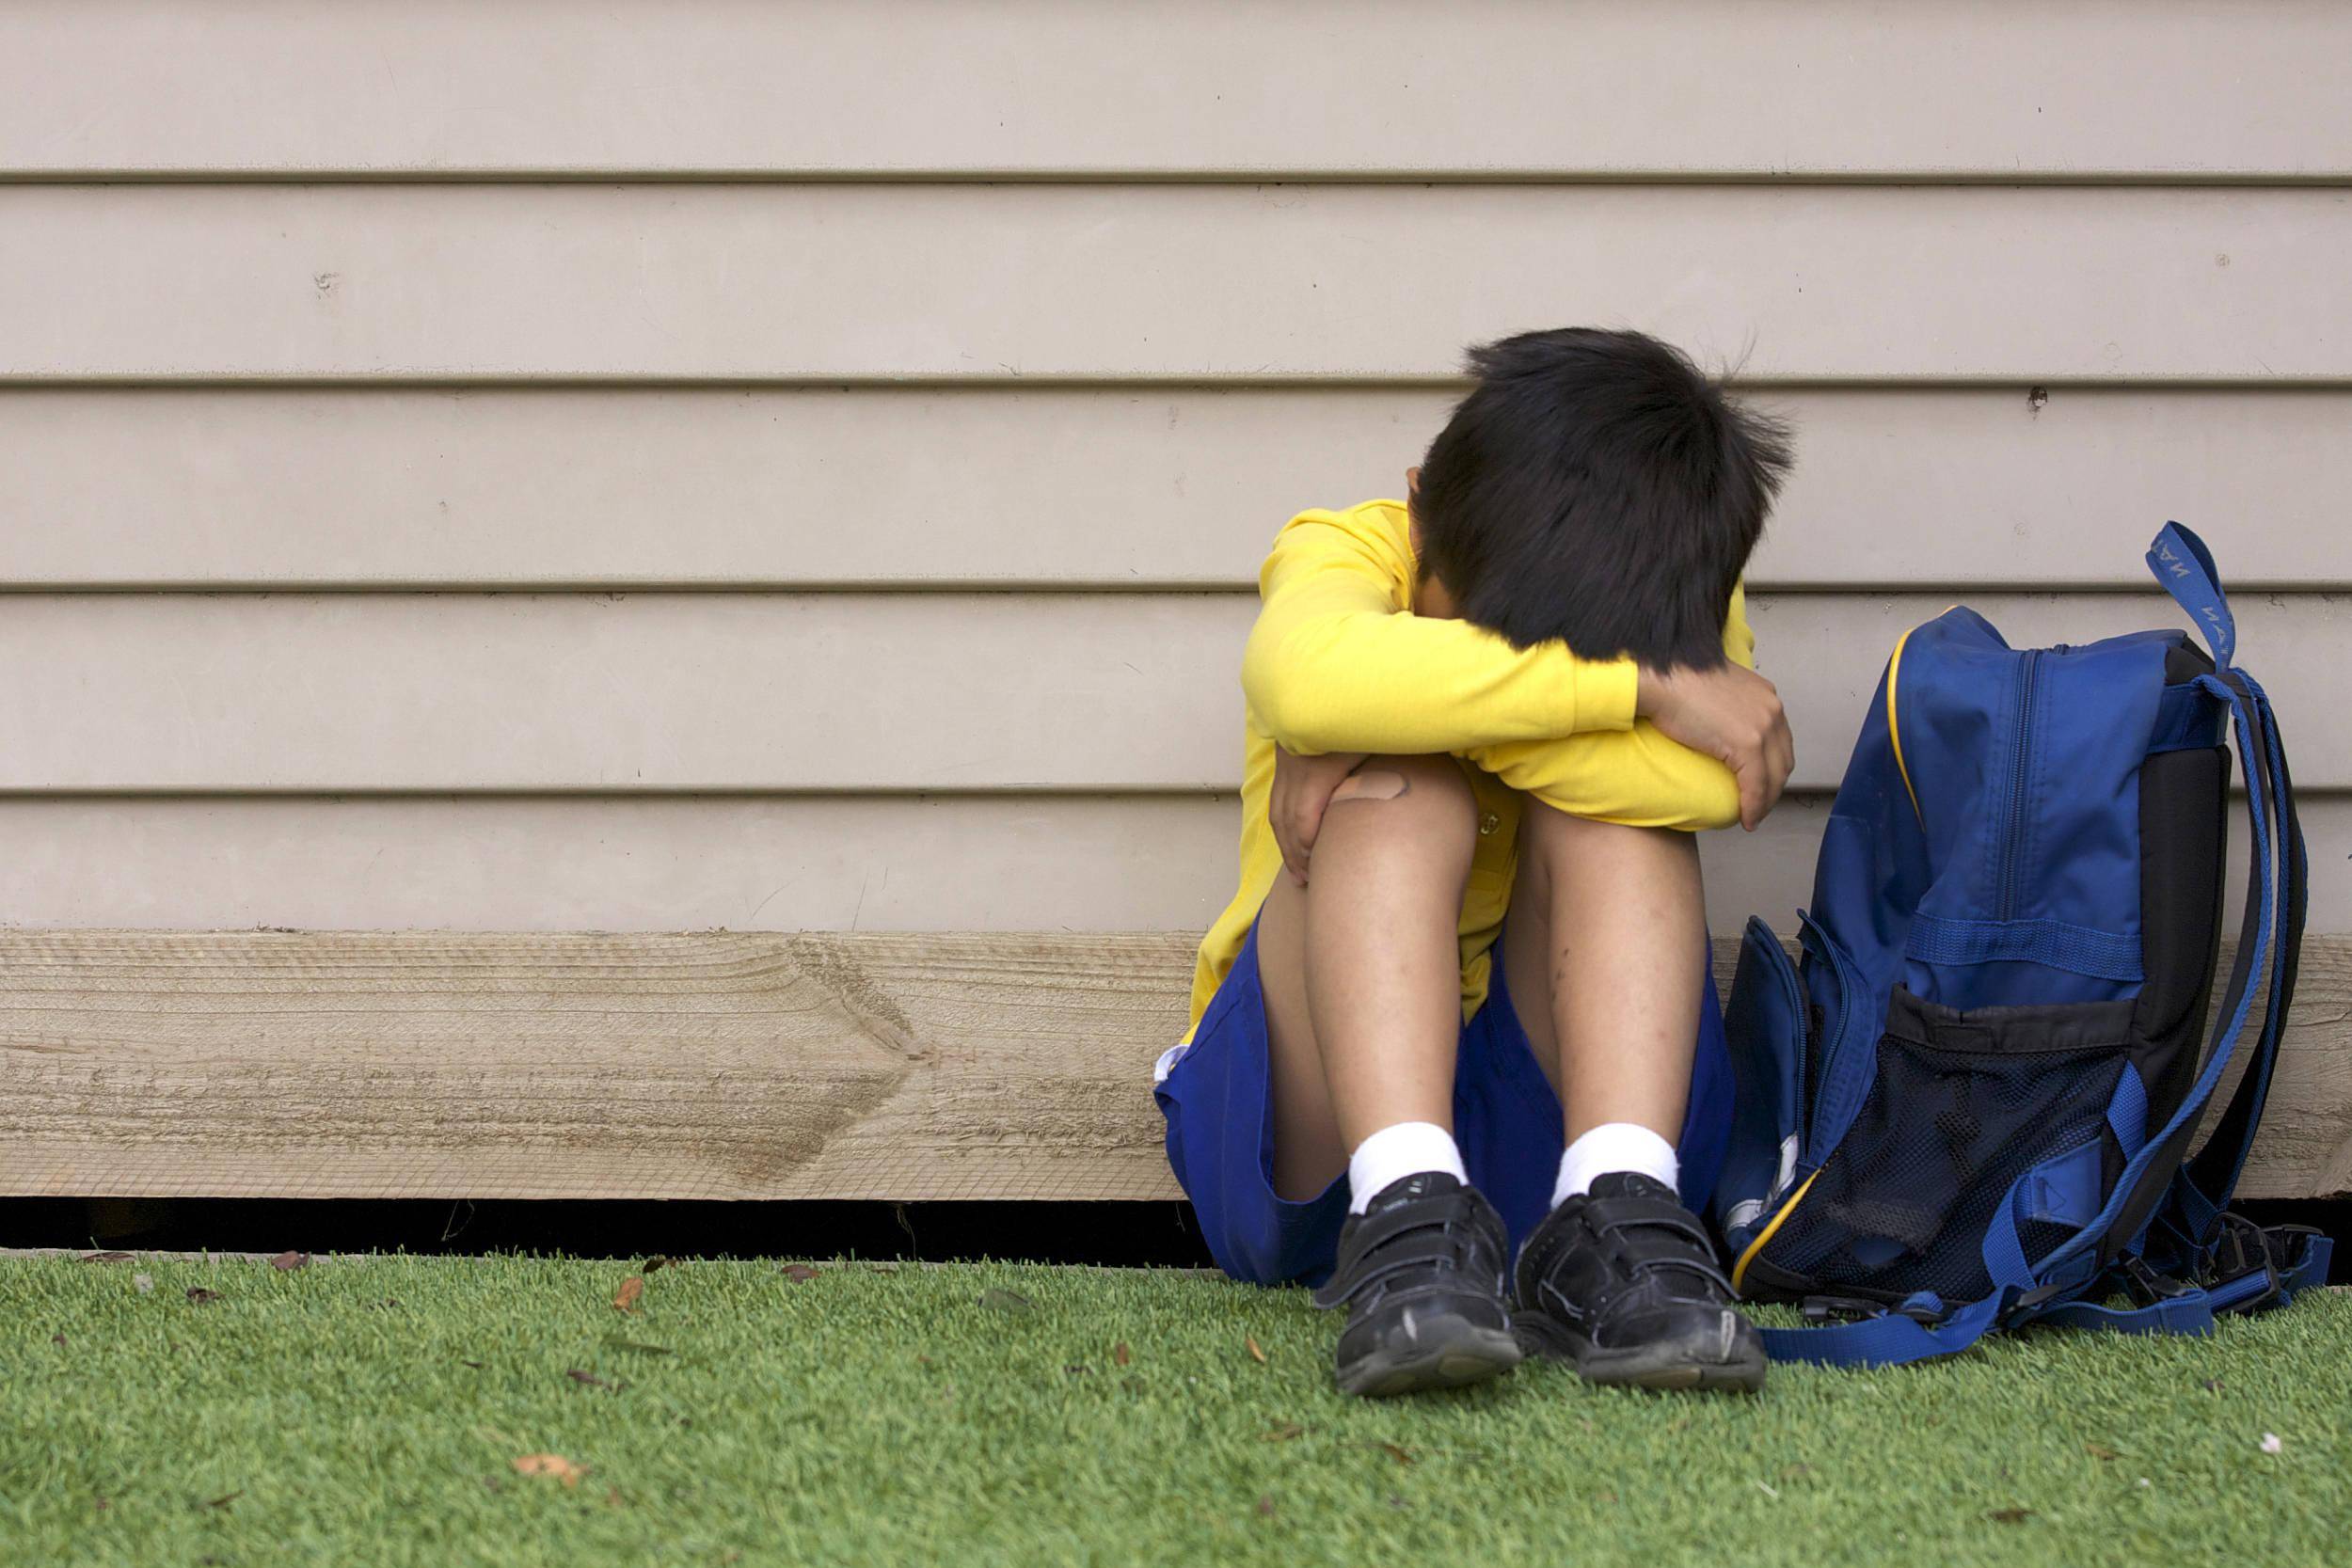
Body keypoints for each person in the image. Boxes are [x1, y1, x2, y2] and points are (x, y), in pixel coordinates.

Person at [1152, 327, 1796, 1396]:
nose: (1503, 662)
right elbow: (1305, 678)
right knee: (1405, 796)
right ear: (1417, 507)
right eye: (1474, 638)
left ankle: (1620, 1199)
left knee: (1623, 819)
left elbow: (1711, 787)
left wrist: (1407, 703)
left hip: (1581, 1128)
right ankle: (1405, 1205)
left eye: (1558, 651)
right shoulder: (1352, 548)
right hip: (1316, 1145)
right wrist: (1628, 692)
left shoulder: (1665, 573)